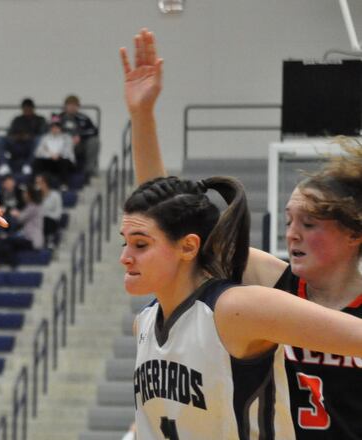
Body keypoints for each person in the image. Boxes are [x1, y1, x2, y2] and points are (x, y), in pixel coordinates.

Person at [122, 29, 362, 439]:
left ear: (353, 233)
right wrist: (142, 117)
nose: (293, 235)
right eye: (289, 221)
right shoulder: (270, 283)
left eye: (309, 223)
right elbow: (166, 222)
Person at [121, 175, 362, 439]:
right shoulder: (144, 322)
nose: (125, 258)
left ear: (189, 246)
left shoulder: (236, 308)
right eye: (126, 242)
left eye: (140, 245)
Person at [0, 185, 43, 268]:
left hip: (32, 240)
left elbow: (20, 218)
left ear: (30, 194)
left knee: (6, 239)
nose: (23, 194)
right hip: (27, 238)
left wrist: (14, 213)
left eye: (26, 193)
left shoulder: (34, 206)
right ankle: (9, 265)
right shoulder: (31, 206)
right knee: (7, 245)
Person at [0, 98, 47, 175]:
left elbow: (42, 134)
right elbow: (9, 133)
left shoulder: (40, 119)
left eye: (28, 108)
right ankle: (3, 165)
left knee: (38, 140)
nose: (26, 111)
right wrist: (17, 136)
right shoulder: (17, 119)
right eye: (25, 109)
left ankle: (28, 165)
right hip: (16, 144)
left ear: (32, 108)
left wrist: (29, 137)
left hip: (30, 145)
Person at [58, 94, 99, 174]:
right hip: (62, 144)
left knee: (94, 141)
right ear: (65, 106)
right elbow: (51, 129)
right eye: (70, 105)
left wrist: (80, 136)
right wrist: (68, 138)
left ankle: (89, 170)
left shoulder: (84, 118)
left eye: (75, 105)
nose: (72, 107)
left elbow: (94, 131)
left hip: (80, 145)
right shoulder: (58, 117)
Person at [32, 116, 76, 187]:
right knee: (37, 162)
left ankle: (64, 184)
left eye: (57, 126)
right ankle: (35, 184)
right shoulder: (45, 138)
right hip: (50, 161)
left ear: (60, 127)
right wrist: (50, 155)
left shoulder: (67, 137)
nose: (55, 128)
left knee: (64, 162)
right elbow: (38, 152)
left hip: (64, 162)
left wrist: (58, 155)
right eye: (53, 126)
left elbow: (67, 151)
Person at [36, 173, 63, 249]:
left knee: (46, 220)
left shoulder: (55, 195)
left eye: (39, 183)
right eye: (36, 183)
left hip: (51, 221)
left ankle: (49, 241)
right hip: (38, 221)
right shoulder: (36, 196)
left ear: (45, 183)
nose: (37, 185)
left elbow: (58, 214)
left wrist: (45, 215)